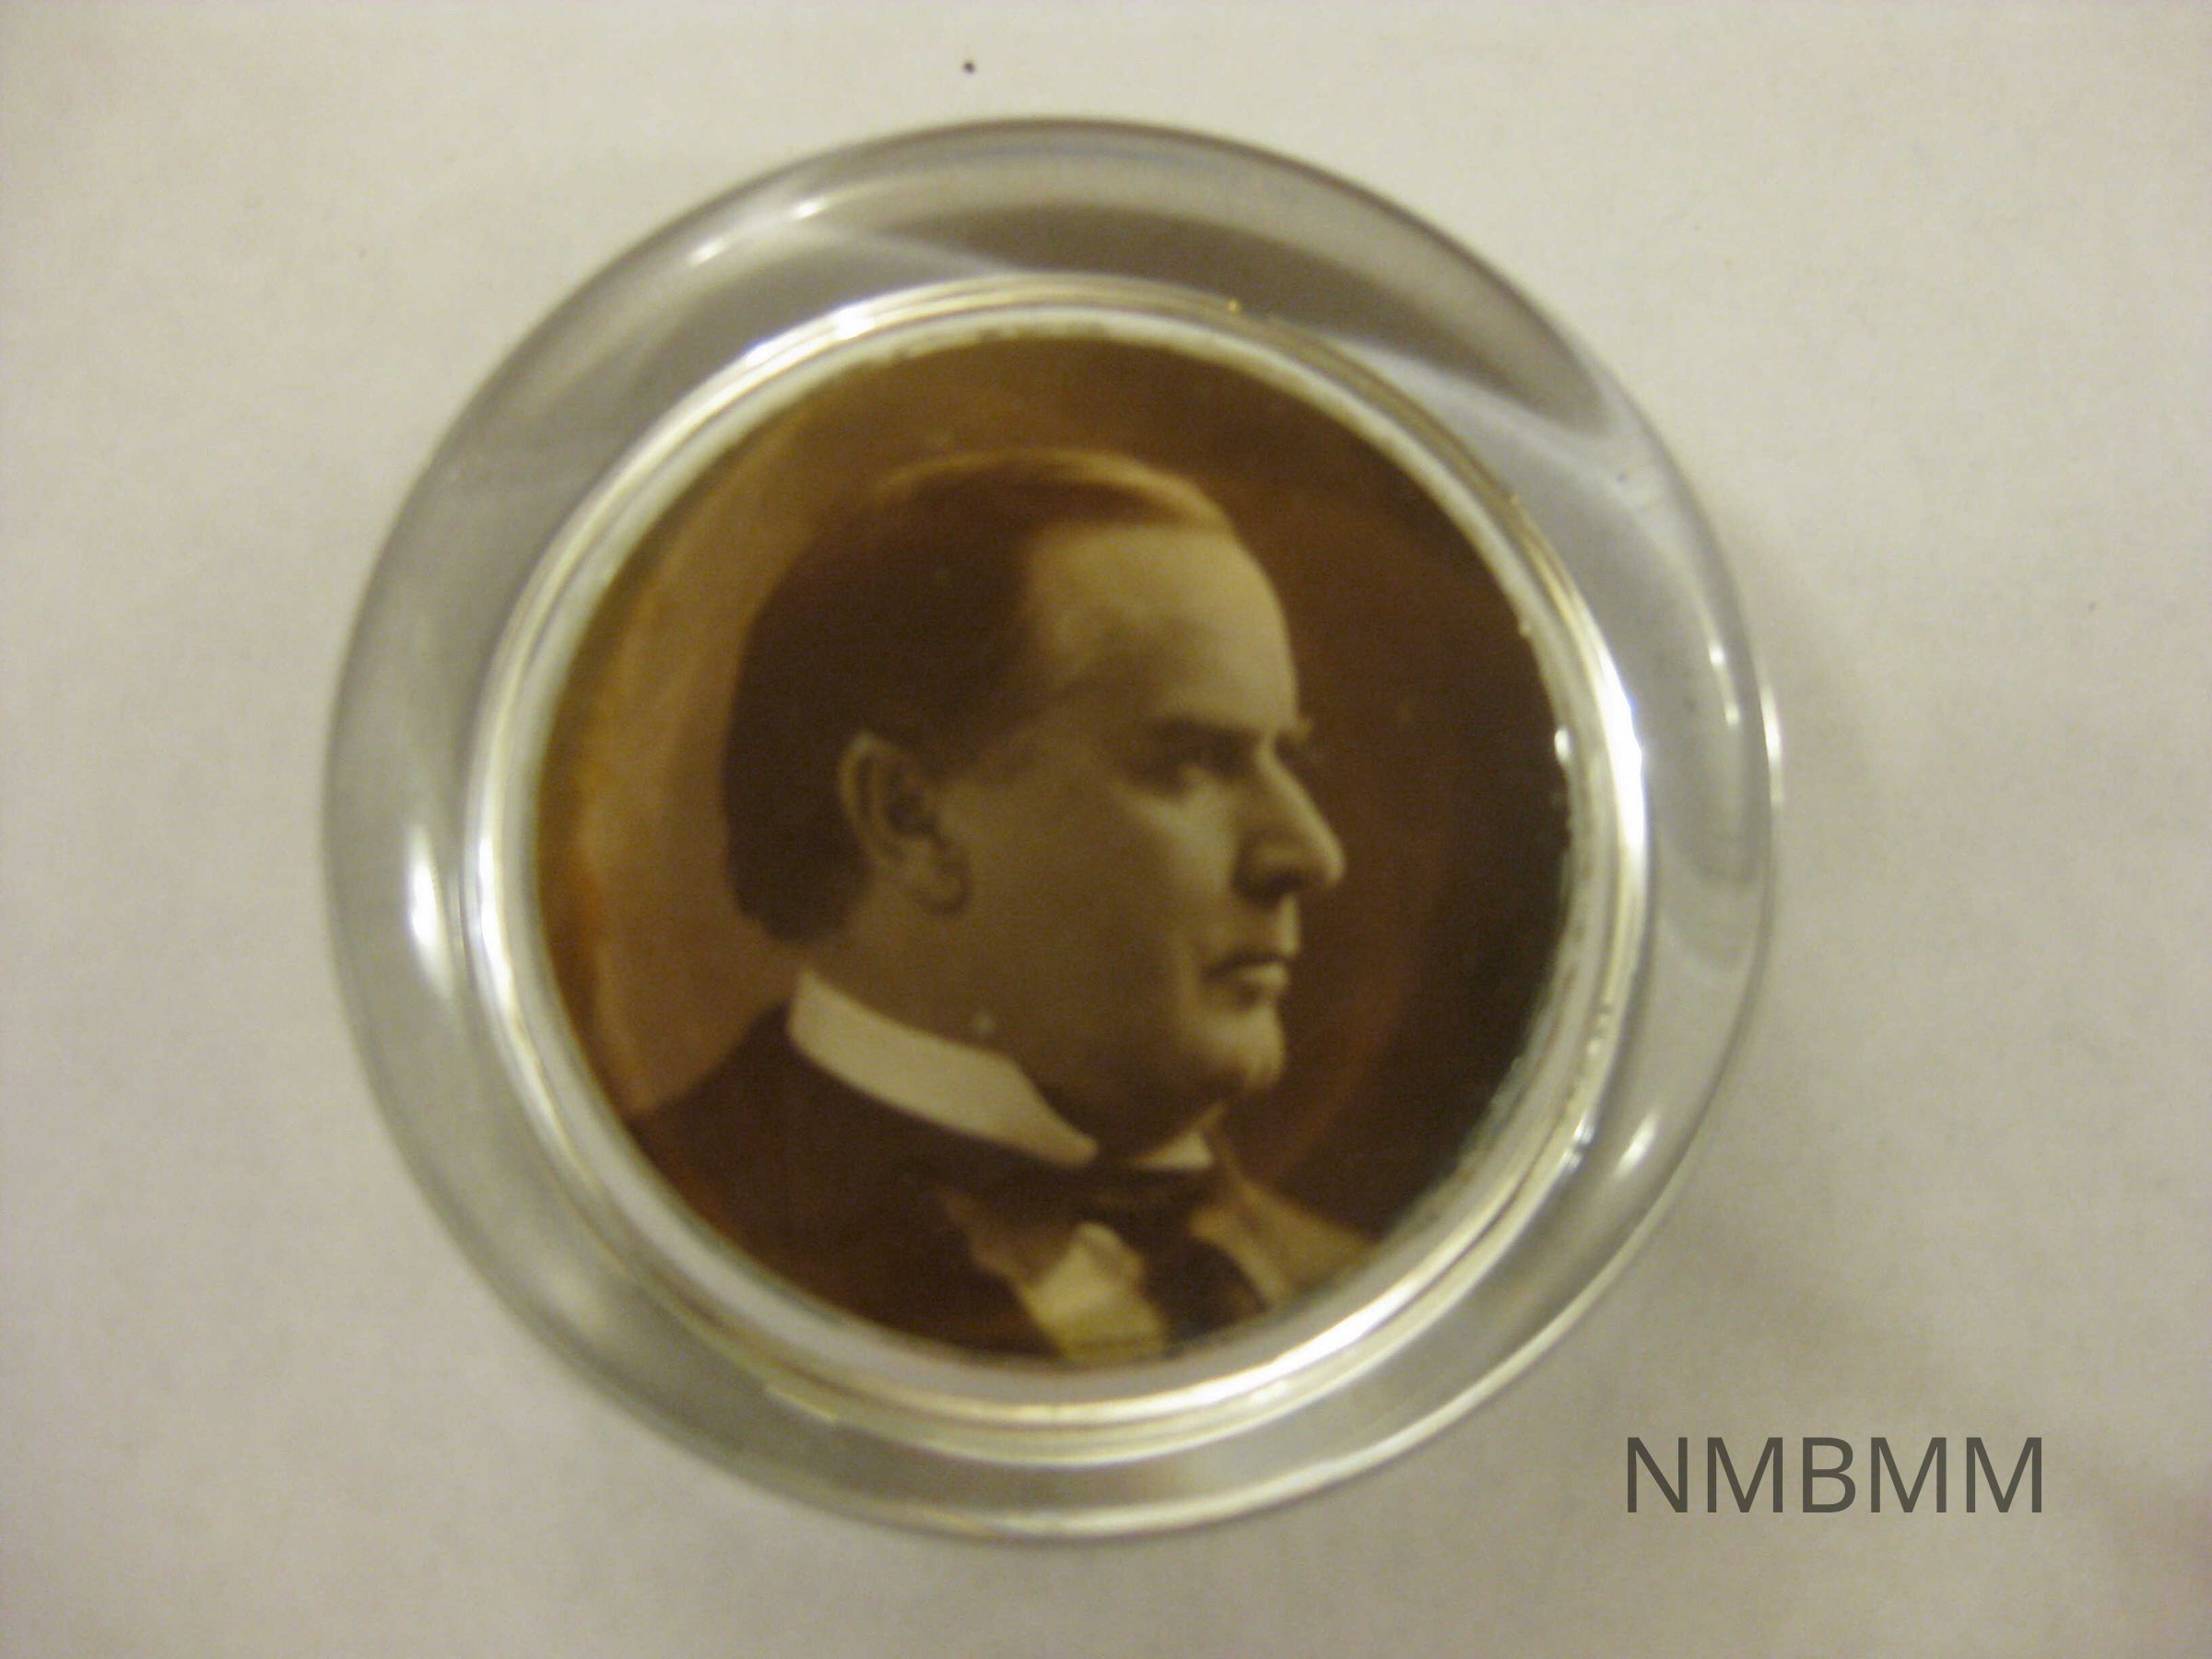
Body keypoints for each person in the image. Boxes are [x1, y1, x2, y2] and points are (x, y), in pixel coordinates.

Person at [632, 449, 1367, 1362]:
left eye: (1286, 758)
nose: (1311, 854)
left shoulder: (1348, 1288)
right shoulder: (647, 1236)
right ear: (910, 819)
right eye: (1189, 763)